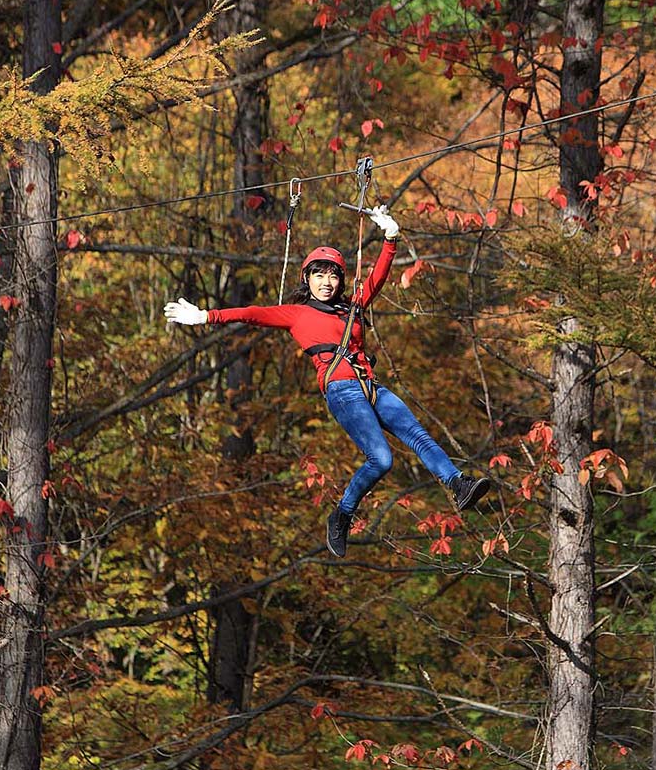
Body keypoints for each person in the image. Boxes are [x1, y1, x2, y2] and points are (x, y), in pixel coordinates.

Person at [163, 206, 492, 557]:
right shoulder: (297, 314)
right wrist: (205, 316)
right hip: (342, 389)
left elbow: (377, 279)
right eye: (319, 275)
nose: (326, 282)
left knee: (418, 435)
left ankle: (458, 484)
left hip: (369, 385)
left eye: (332, 276)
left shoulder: (351, 309)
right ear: (307, 279)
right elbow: (252, 314)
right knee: (381, 460)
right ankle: (342, 514)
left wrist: (391, 238)